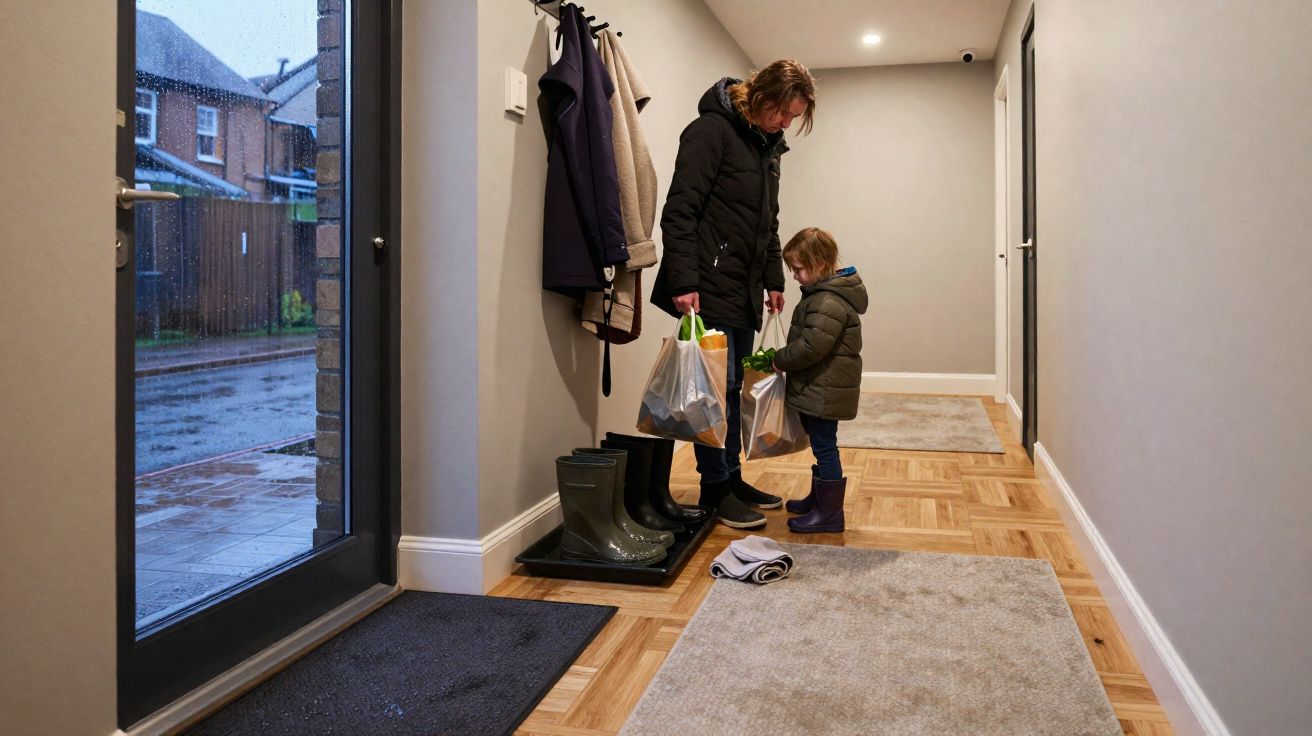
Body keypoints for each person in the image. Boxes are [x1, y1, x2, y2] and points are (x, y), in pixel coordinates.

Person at [651, 60, 817, 529]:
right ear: (762, 98)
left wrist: (773, 278)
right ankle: (714, 489)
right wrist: (684, 282)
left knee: (734, 389)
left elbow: (767, 223)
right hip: (708, 285)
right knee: (713, 394)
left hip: (743, 287)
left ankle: (732, 477)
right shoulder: (710, 132)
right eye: (785, 113)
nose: (787, 124)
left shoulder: (766, 147)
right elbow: (680, 210)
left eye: (793, 117)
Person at [771, 227, 868, 534]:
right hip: (821, 386)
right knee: (821, 444)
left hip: (824, 389)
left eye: (798, 269)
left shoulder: (828, 300)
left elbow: (813, 346)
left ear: (819, 263)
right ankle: (820, 498)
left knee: (825, 447)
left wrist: (779, 359)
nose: (795, 276)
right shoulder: (823, 294)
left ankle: (830, 514)